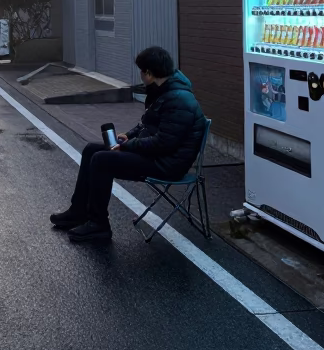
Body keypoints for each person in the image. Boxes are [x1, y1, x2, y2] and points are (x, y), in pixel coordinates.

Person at [50, 46, 208, 242]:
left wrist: (128, 146)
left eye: (142, 71)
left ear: (149, 73)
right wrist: (129, 136)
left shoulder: (179, 100)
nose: (140, 75)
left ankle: (99, 224)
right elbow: (148, 124)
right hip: (158, 155)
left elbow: (164, 143)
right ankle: (78, 211)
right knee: (92, 149)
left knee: (102, 160)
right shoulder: (165, 90)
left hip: (168, 164)